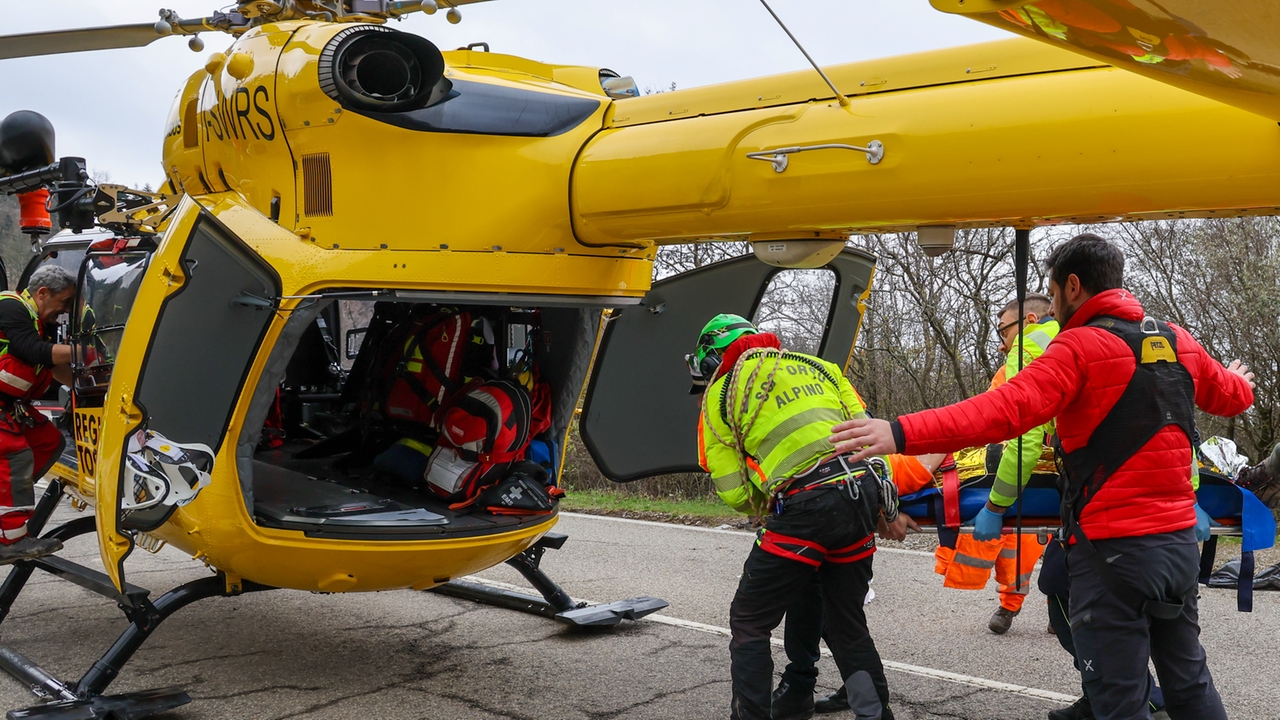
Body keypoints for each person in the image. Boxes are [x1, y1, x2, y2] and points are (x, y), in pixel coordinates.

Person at [828, 233, 1253, 720]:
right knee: (1190, 685)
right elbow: (1233, 398)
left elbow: (1001, 414)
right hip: (1177, 548)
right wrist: (1240, 380)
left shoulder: (1078, 347)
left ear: (1073, 286)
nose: (1052, 308)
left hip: (1114, 554)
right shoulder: (1176, 340)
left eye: (1052, 295)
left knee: (1120, 700)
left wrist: (900, 431)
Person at [690, 313, 907, 720]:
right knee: (846, 625)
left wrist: (770, 499)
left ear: (709, 360)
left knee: (750, 621)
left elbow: (735, 492)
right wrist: (882, 502)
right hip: (860, 496)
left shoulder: (719, 395)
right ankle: (875, 716)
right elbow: (869, 434)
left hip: (806, 507)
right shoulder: (819, 367)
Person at [940, 293, 1058, 635]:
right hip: (1052, 466)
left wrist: (994, 504)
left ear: (1030, 322)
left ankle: (1043, 607)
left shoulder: (1027, 352)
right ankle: (1027, 606)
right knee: (1047, 548)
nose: (1002, 344)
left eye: (1003, 332)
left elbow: (1022, 438)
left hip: (1034, 469)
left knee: (1027, 546)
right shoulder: (1083, 343)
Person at [0, 265, 75, 564]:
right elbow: (33, 351)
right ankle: (10, 540)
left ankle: (6, 504)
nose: (65, 310)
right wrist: (85, 351)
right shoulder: (9, 306)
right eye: (64, 302)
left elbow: (55, 368)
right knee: (14, 455)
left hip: (12, 407)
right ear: (42, 293)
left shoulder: (40, 323)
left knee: (47, 441)